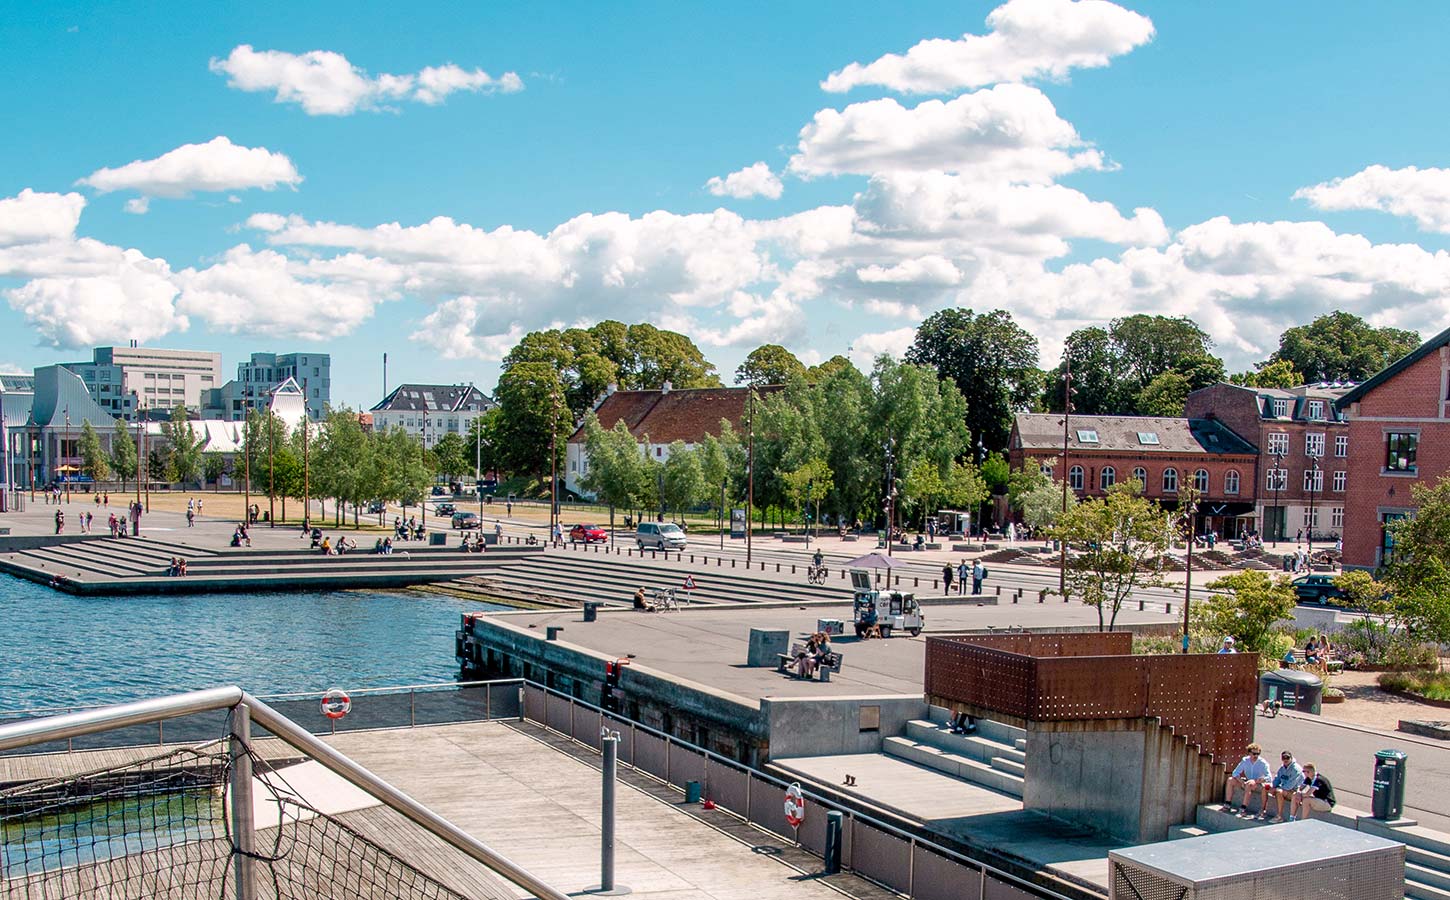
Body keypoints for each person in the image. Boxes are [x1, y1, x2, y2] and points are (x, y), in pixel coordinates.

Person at [1222, 743, 1271, 815]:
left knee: (1249, 784)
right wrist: (1241, 782)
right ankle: (1227, 803)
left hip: (1257, 784)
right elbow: (1235, 773)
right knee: (1230, 780)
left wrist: (1257, 780)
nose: (1256, 756)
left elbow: (1269, 777)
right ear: (1249, 753)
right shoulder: (1245, 761)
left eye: (1258, 753)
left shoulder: (1263, 763)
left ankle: (1243, 808)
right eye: (1254, 753)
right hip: (1247, 781)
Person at [1263, 750, 1304, 821]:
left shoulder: (1296, 769)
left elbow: (1290, 786)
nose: (1285, 760)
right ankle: (1263, 810)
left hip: (1295, 792)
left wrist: (1276, 789)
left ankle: (1279, 816)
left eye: (1287, 758)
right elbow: (1277, 779)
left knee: (1279, 792)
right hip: (1285, 789)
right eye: (1283, 758)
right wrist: (1272, 787)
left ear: (1291, 758)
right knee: (1265, 788)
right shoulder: (1282, 768)